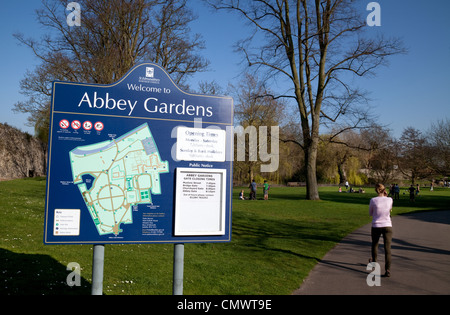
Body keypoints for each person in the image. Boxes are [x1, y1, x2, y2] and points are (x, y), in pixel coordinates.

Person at [369, 183, 393, 277]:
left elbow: (370, 213)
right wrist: (386, 197)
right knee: (387, 248)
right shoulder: (390, 200)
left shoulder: (373, 200)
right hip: (387, 225)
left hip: (376, 225)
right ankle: (387, 269)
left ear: (376, 190)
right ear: (384, 190)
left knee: (375, 245)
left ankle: (374, 264)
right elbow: (389, 209)